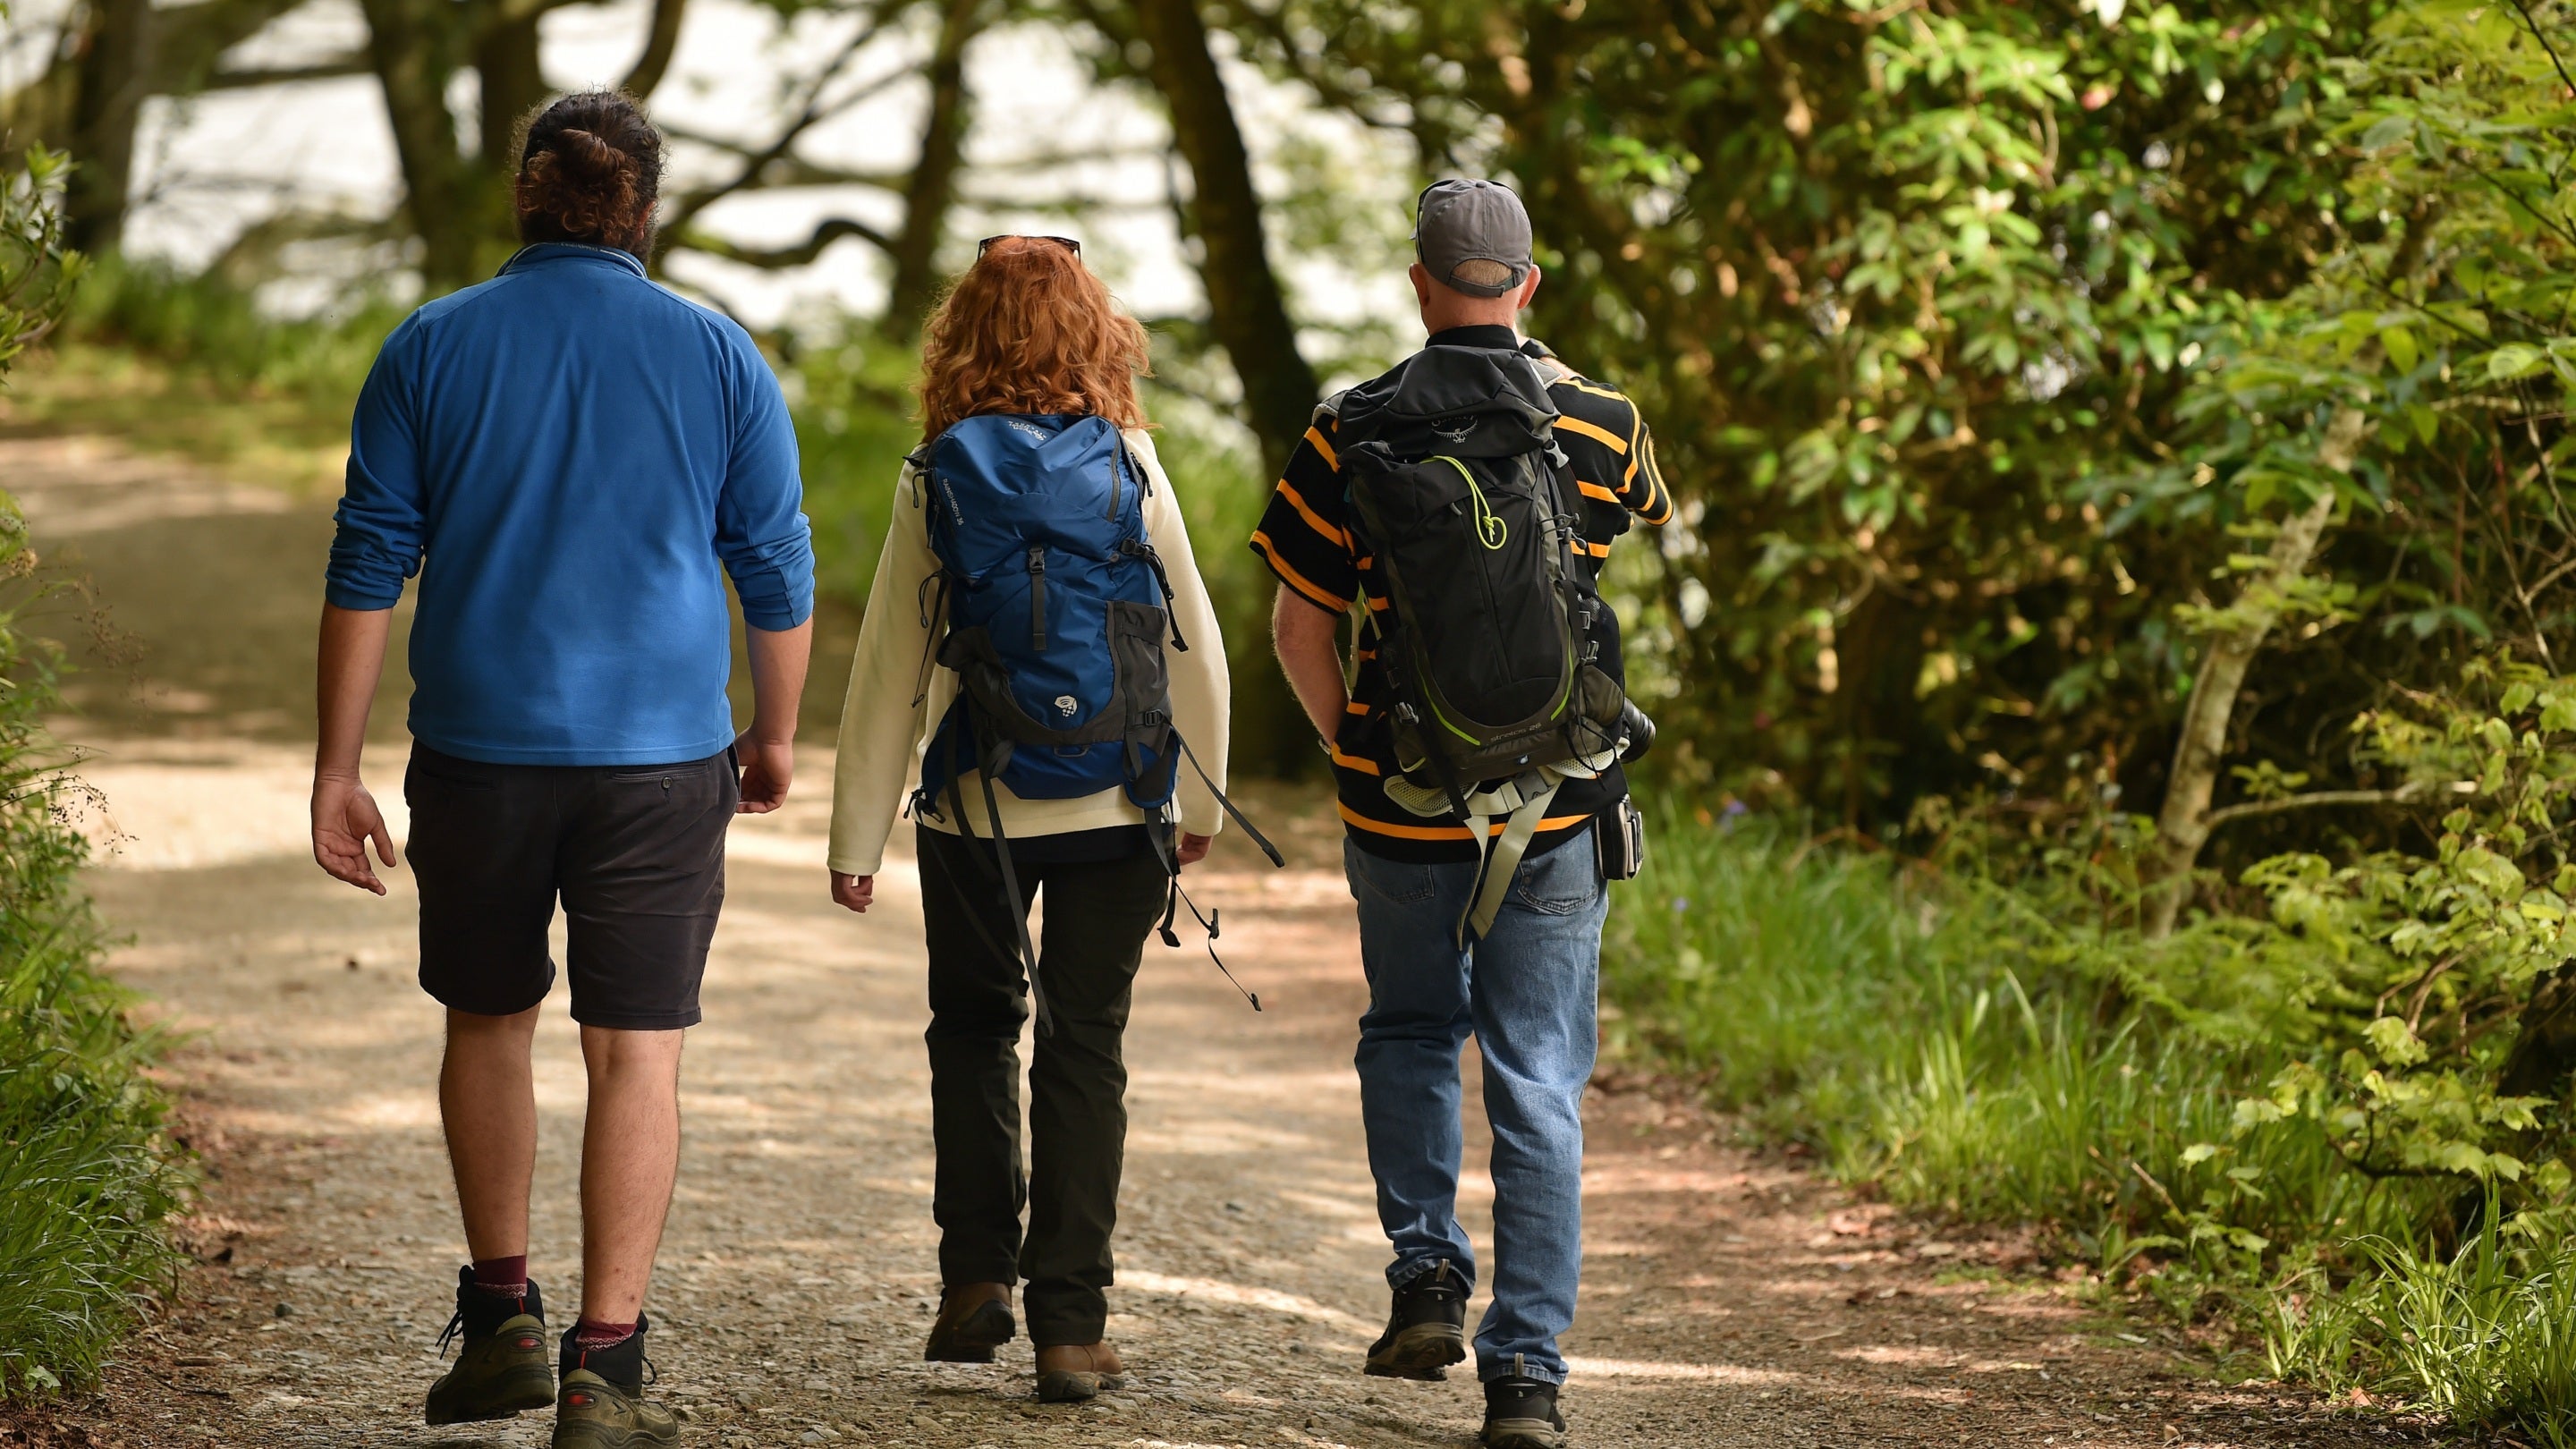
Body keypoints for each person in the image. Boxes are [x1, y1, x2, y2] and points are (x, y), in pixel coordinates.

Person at [309, 91, 814, 1449]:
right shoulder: (717, 353)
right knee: (634, 1050)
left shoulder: (432, 342)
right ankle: (608, 1366)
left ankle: (502, 1325)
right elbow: (775, 566)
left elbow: (369, 563)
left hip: (480, 751)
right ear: (641, 208)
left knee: (488, 1022)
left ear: (524, 200)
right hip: (662, 759)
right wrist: (770, 737)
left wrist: (335, 769)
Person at [1250, 179, 1671, 1449]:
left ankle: (1428, 1273)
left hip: (1405, 801)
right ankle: (1527, 1379)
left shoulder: (1351, 428)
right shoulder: (1600, 422)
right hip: (1554, 805)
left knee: (1411, 1032)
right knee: (1539, 1084)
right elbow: (1633, 534)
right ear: (1529, 283)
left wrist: (1355, 753)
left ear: (1420, 283)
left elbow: (1298, 622)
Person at [826, 235, 1232, 1404]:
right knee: (1083, 1045)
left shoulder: (934, 469)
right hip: (1118, 800)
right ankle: (1069, 1326)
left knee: (972, 1029)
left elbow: (892, 669)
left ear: (962, 336)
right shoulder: (1133, 461)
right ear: (1096, 334)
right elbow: (1188, 639)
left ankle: (974, 1279)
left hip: (973, 808)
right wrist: (1196, 802)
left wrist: (858, 837)